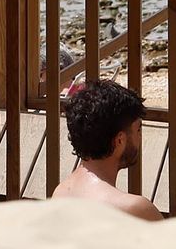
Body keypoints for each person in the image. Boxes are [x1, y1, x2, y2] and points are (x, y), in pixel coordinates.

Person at [50, 79, 164, 220]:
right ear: (119, 140)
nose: (140, 137)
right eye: (138, 129)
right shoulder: (134, 209)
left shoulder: (60, 193)